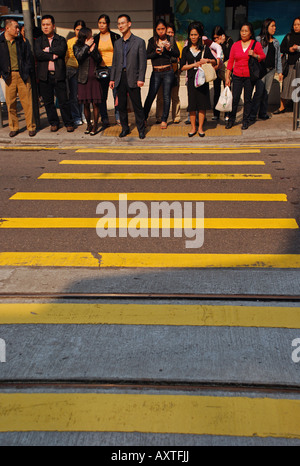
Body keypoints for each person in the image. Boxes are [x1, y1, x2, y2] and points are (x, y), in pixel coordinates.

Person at [109, 14, 147, 139]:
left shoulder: (139, 42)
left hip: (133, 77)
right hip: (120, 77)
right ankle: (125, 128)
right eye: (118, 23)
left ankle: (141, 129)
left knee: (137, 105)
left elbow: (142, 63)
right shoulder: (117, 43)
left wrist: (141, 78)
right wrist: (112, 78)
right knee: (121, 106)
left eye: (123, 23)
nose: (120, 26)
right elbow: (114, 63)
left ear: (129, 24)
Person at [35, 14, 74, 132]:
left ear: (53, 26)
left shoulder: (60, 39)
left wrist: (48, 50)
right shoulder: (39, 41)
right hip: (44, 75)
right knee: (48, 102)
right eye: (43, 25)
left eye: (48, 24)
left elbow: (62, 51)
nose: (45, 27)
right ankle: (54, 122)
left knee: (63, 101)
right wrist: (53, 55)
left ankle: (68, 122)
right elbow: (38, 54)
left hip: (58, 74)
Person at [225, 22, 265, 130]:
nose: (243, 33)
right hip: (237, 75)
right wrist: (227, 77)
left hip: (249, 76)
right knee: (235, 99)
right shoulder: (235, 45)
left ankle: (245, 121)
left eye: (246, 31)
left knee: (247, 99)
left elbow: (262, 56)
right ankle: (231, 119)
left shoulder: (255, 44)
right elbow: (230, 62)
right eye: (242, 31)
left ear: (251, 33)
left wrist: (254, 55)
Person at [0, 19, 36, 137]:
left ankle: (31, 127)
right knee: (11, 104)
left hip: (22, 75)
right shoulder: (1, 41)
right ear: (7, 28)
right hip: (8, 76)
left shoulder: (21, 41)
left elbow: (28, 57)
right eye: (15, 27)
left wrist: (27, 70)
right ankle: (14, 127)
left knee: (27, 103)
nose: (18, 30)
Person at [180, 22, 216, 137]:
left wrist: (207, 60)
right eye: (191, 35)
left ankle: (200, 128)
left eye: (195, 34)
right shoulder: (185, 50)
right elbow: (182, 67)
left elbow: (215, 61)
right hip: (191, 80)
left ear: (200, 35)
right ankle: (193, 127)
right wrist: (194, 65)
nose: (193, 37)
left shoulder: (205, 48)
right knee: (192, 105)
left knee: (202, 104)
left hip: (202, 80)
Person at [143, 19, 180, 129]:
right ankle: (144, 117)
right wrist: (156, 53)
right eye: (159, 29)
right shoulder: (152, 41)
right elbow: (147, 55)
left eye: (163, 29)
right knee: (151, 95)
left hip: (168, 71)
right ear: (155, 30)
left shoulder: (171, 40)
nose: (161, 31)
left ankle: (164, 119)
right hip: (156, 71)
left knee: (166, 96)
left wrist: (168, 49)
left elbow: (177, 54)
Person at [249, 18, 282, 121]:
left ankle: (262, 113)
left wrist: (279, 72)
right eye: (272, 26)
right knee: (259, 92)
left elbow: (277, 58)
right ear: (266, 27)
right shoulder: (259, 39)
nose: (274, 28)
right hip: (261, 70)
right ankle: (253, 114)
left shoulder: (276, 42)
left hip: (271, 71)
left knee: (266, 93)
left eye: (275, 26)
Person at [74, 27, 103, 136]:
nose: (92, 37)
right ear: (85, 37)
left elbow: (99, 59)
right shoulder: (77, 46)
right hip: (83, 78)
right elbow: (79, 57)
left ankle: (95, 125)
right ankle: (88, 125)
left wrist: (92, 51)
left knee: (95, 103)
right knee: (85, 103)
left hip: (94, 77)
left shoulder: (94, 45)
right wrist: (87, 47)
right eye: (89, 35)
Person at [94, 14, 120, 128]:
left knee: (116, 95)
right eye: (100, 23)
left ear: (108, 24)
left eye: (104, 23)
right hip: (101, 69)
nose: (101, 25)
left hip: (114, 68)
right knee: (102, 96)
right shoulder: (95, 38)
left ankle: (118, 117)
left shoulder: (115, 37)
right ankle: (104, 118)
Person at [155, 23, 182, 124]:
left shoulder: (175, 43)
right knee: (161, 96)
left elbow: (179, 55)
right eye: (168, 32)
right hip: (162, 72)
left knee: (174, 96)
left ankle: (176, 116)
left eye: (172, 32)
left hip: (174, 71)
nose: (170, 34)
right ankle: (159, 116)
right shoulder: (157, 42)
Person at [274, 16, 300, 114]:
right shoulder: (288, 36)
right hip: (290, 66)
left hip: (299, 66)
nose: (296, 27)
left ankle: (297, 109)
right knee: (286, 87)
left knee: (298, 88)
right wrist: (289, 49)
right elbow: (281, 48)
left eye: (298, 25)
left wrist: (298, 48)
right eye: (295, 25)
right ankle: (282, 107)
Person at [66, 19, 86, 126]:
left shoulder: (86, 41)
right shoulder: (70, 42)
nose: (79, 32)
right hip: (72, 69)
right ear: (74, 30)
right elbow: (66, 56)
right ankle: (76, 116)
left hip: (83, 69)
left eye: (81, 29)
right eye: (77, 29)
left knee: (82, 95)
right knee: (73, 95)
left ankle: (83, 115)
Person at [212, 25, 233, 121]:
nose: (216, 39)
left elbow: (230, 56)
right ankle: (216, 113)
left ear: (222, 35)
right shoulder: (213, 43)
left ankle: (227, 113)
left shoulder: (229, 41)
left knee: (227, 91)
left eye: (218, 37)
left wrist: (222, 44)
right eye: (214, 37)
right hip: (217, 69)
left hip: (226, 70)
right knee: (216, 91)